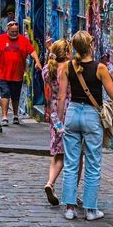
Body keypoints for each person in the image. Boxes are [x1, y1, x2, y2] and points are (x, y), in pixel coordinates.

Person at [58, 30, 113, 221]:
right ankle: (90, 210)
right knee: (93, 163)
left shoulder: (67, 67)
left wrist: (60, 121)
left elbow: (61, 97)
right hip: (91, 116)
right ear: (90, 46)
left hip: (72, 113)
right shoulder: (100, 68)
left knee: (71, 163)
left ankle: (69, 208)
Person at [0, 20, 42, 125]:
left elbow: (32, 51)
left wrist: (38, 62)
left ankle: (15, 115)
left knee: (15, 96)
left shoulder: (23, 40)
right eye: (12, 31)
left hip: (18, 74)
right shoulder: (1, 39)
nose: (14, 33)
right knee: (5, 94)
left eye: (16, 31)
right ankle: (4, 116)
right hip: (3, 73)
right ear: (8, 30)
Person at [42, 39, 72, 206]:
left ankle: (50, 183)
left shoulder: (48, 69)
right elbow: (64, 94)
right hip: (68, 111)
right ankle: (72, 191)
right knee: (74, 154)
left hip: (53, 112)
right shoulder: (69, 69)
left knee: (57, 152)